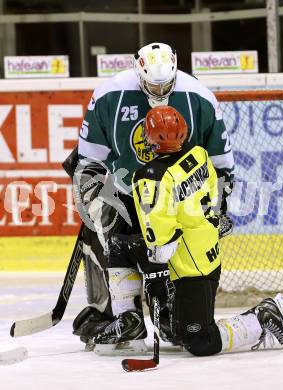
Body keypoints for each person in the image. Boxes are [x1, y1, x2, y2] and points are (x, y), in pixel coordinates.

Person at [92, 106, 283, 356]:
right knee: (122, 246)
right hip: (203, 249)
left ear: (148, 138)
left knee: (199, 341)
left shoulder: (149, 176)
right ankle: (130, 322)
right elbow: (214, 192)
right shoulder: (200, 154)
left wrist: (157, 263)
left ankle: (264, 315)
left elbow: (161, 235)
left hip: (191, 269)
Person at [69, 42, 235, 353]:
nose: (159, 91)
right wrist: (95, 202)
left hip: (176, 210)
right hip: (127, 193)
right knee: (113, 240)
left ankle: (166, 313)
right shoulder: (109, 95)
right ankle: (127, 316)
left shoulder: (199, 97)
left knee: (182, 329)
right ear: (138, 73)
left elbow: (222, 165)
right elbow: (88, 161)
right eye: (152, 85)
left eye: (166, 84)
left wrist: (218, 206)